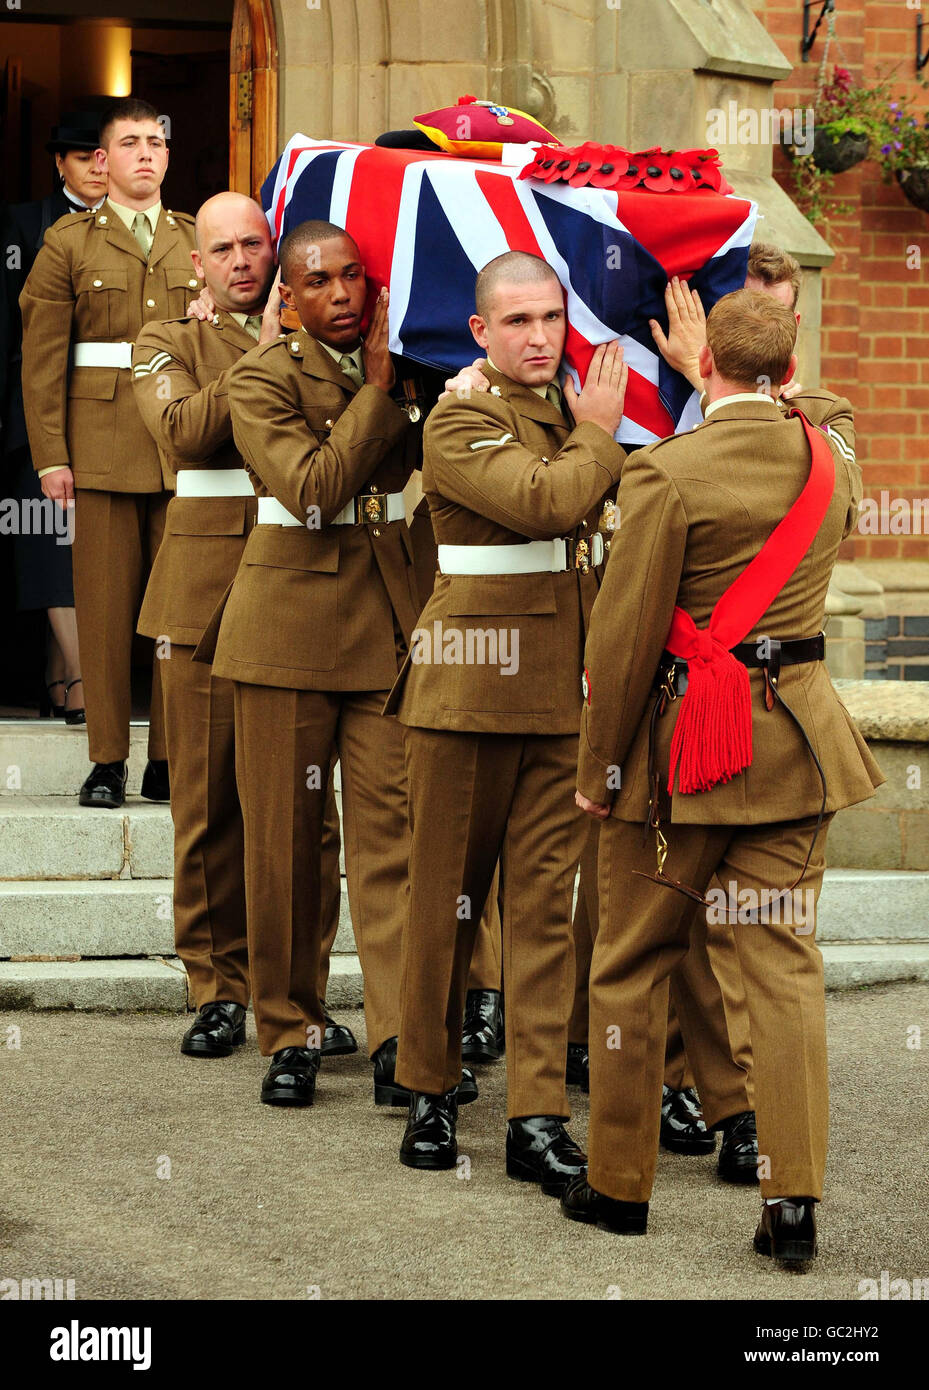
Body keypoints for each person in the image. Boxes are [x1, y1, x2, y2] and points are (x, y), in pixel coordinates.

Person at [563, 289, 883, 1265]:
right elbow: (809, 403)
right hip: (795, 743)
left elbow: (620, 640)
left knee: (629, 963)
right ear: (786, 371)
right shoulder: (832, 460)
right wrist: (751, 366)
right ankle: (790, 1201)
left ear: (701, 369)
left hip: (683, 757)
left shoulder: (662, 471)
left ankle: (618, 1185)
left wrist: (597, 767)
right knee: (781, 971)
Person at [208, 218, 477, 1108]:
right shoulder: (258, 378)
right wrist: (378, 392)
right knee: (285, 843)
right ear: (286, 298)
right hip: (286, 635)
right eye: (318, 282)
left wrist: (415, 386)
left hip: (384, 635)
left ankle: (405, 1037)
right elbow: (317, 491)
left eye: (353, 277)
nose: (340, 294)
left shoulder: (406, 372)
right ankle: (289, 1028)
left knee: (394, 842)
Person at [386, 250, 626, 1190]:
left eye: (551, 320)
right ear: (480, 331)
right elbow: (547, 502)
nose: (538, 338)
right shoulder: (459, 418)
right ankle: (429, 1090)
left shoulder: (565, 415)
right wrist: (601, 435)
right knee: (444, 900)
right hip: (466, 694)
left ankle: (535, 1113)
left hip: (556, 701)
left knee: (543, 915)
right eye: (517, 322)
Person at [19, 96, 198, 809]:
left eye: (156, 141)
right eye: (130, 143)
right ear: (103, 160)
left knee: (176, 616)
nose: (146, 154)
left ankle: (166, 759)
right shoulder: (69, 241)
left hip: (186, 449)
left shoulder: (193, 238)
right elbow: (42, 359)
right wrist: (49, 456)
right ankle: (107, 761)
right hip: (100, 449)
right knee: (102, 609)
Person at [2, 113, 107, 726]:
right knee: (48, 546)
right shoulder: (19, 225)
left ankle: (65, 674)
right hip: (34, 413)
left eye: (104, 153)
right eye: (83, 155)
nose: (98, 165)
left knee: (100, 551)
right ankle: (79, 680)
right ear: (59, 163)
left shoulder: (150, 228)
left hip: (116, 418)